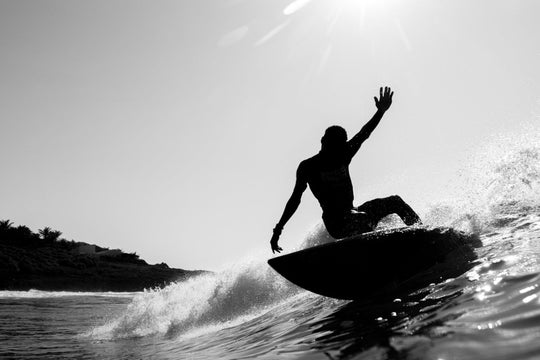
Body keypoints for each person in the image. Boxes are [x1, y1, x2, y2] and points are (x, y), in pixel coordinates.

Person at [270, 87, 421, 254]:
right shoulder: (308, 166)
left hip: (355, 212)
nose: (335, 150)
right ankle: (377, 254)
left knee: (394, 201)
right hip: (336, 223)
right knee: (360, 218)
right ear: (323, 141)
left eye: (340, 145)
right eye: (332, 144)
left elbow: (365, 133)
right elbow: (295, 200)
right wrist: (278, 229)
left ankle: (423, 234)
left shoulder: (344, 153)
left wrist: (381, 112)